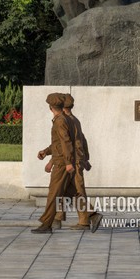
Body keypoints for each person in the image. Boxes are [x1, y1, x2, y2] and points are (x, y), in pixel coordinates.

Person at [52, 94, 103, 232]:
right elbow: (82, 140)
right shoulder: (74, 120)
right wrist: (85, 158)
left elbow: (65, 144)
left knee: (74, 191)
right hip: (74, 160)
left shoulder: (66, 121)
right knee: (68, 190)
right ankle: (70, 219)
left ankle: (89, 216)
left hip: (71, 162)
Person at [32, 93, 76, 234]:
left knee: (54, 193)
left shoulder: (60, 121)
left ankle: (46, 224)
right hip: (61, 161)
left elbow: (66, 142)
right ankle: (92, 215)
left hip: (62, 163)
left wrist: (68, 162)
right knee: (71, 192)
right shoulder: (62, 119)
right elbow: (58, 143)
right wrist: (46, 151)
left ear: (51, 107)